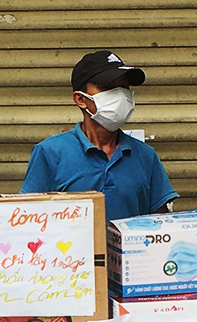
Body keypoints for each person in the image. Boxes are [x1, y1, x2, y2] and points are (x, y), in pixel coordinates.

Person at [21, 50, 176, 220]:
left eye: (124, 87)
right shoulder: (50, 153)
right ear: (80, 99)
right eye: (108, 88)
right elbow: (30, 220)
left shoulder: (146, 156)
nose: (120, 95)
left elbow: (161, 224)